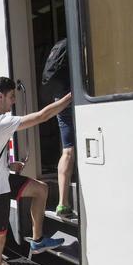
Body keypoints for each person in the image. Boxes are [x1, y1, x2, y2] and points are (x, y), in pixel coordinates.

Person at [0, 76, 72, 265]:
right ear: (0, 97)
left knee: (40, 189)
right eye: (11, 97)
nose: (12, 103)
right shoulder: (0, 121)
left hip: (0, 179)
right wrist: (72, 95)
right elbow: (42, 116)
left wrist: (9, 166)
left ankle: (37, 240)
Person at [42, 38, 74, 217]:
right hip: (72, 96)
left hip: (59, 98)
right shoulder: (79, 38)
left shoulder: (60, 45)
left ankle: (63, 203)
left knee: (67, 151)